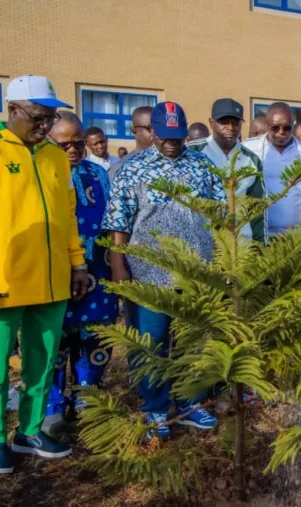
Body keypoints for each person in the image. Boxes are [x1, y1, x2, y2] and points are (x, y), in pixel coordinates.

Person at [102, 101, 226, 438]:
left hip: (195, 274)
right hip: (147, 273)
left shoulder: (202, 166)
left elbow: (219, 217)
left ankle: (190, 402)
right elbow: (118, 221)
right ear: (152, 132)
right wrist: (118, 265)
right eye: (166, 136)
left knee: (193, 342)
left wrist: (222, 261)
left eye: (178, 136)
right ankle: (155, 408)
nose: (172, 142)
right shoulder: (132, 168)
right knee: (150, 343)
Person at [0, 75, 89, 471]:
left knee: (42, 360)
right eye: (38, 116)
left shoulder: (54, 156)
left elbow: (67, 215)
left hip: (52, 282)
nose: (45, 124)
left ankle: (29, 430)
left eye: (50, 116)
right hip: (6, 282)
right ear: (13, 110)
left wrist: (77, 264)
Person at [43, 112, 119, 431]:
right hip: (54, 272)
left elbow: (113, 219)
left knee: (95, 338)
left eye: (78, 143)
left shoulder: (97, 173)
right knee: (55, 342)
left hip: (98, 270)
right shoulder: (42, 173)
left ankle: (88, 399)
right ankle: (53, 406)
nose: (73, 150)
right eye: (64, 144)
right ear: (49, 140)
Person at [187, 98, 267, 242]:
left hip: (241, 243)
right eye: (224, 121)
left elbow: (258, 209)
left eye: (236, 122)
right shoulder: (192, 152)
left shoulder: (252, 160)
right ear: (211, 123)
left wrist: (261, 246)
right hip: (201, 243)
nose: (230, 127)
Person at [243, 102, 301, 237]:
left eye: (287, 128)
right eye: (275, 128)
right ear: (267, 125)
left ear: (293, 126)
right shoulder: (249, 150)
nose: (281, 132)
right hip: (258, 235)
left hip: (295, 236)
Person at [108, 106, 154, 180]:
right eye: (149, 128)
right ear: (134, 131)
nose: (155, 133)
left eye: (158, 128)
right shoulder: (120, 169)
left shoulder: (171, 162)